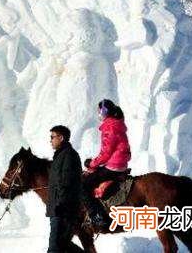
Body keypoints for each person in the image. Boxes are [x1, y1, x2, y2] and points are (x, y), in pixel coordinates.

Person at [82, 99, 132, 229]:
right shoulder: (117, 124)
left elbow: (105, 153)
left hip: (113, 166)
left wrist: (92, 164)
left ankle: (97, 216)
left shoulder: (109, 127)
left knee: (84, 185)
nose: (98, 114)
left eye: (99, 111)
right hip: (121, 164)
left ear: (105, 112)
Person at [47, 125, 83, 253]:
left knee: (54, 248)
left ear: (61, 138)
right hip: (58, 209)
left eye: (52, 137)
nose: (50, 140)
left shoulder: (69, 155)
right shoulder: (61, 155)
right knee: (63, 245)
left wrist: (60, 205)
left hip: (63, 210)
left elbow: (66, 183)